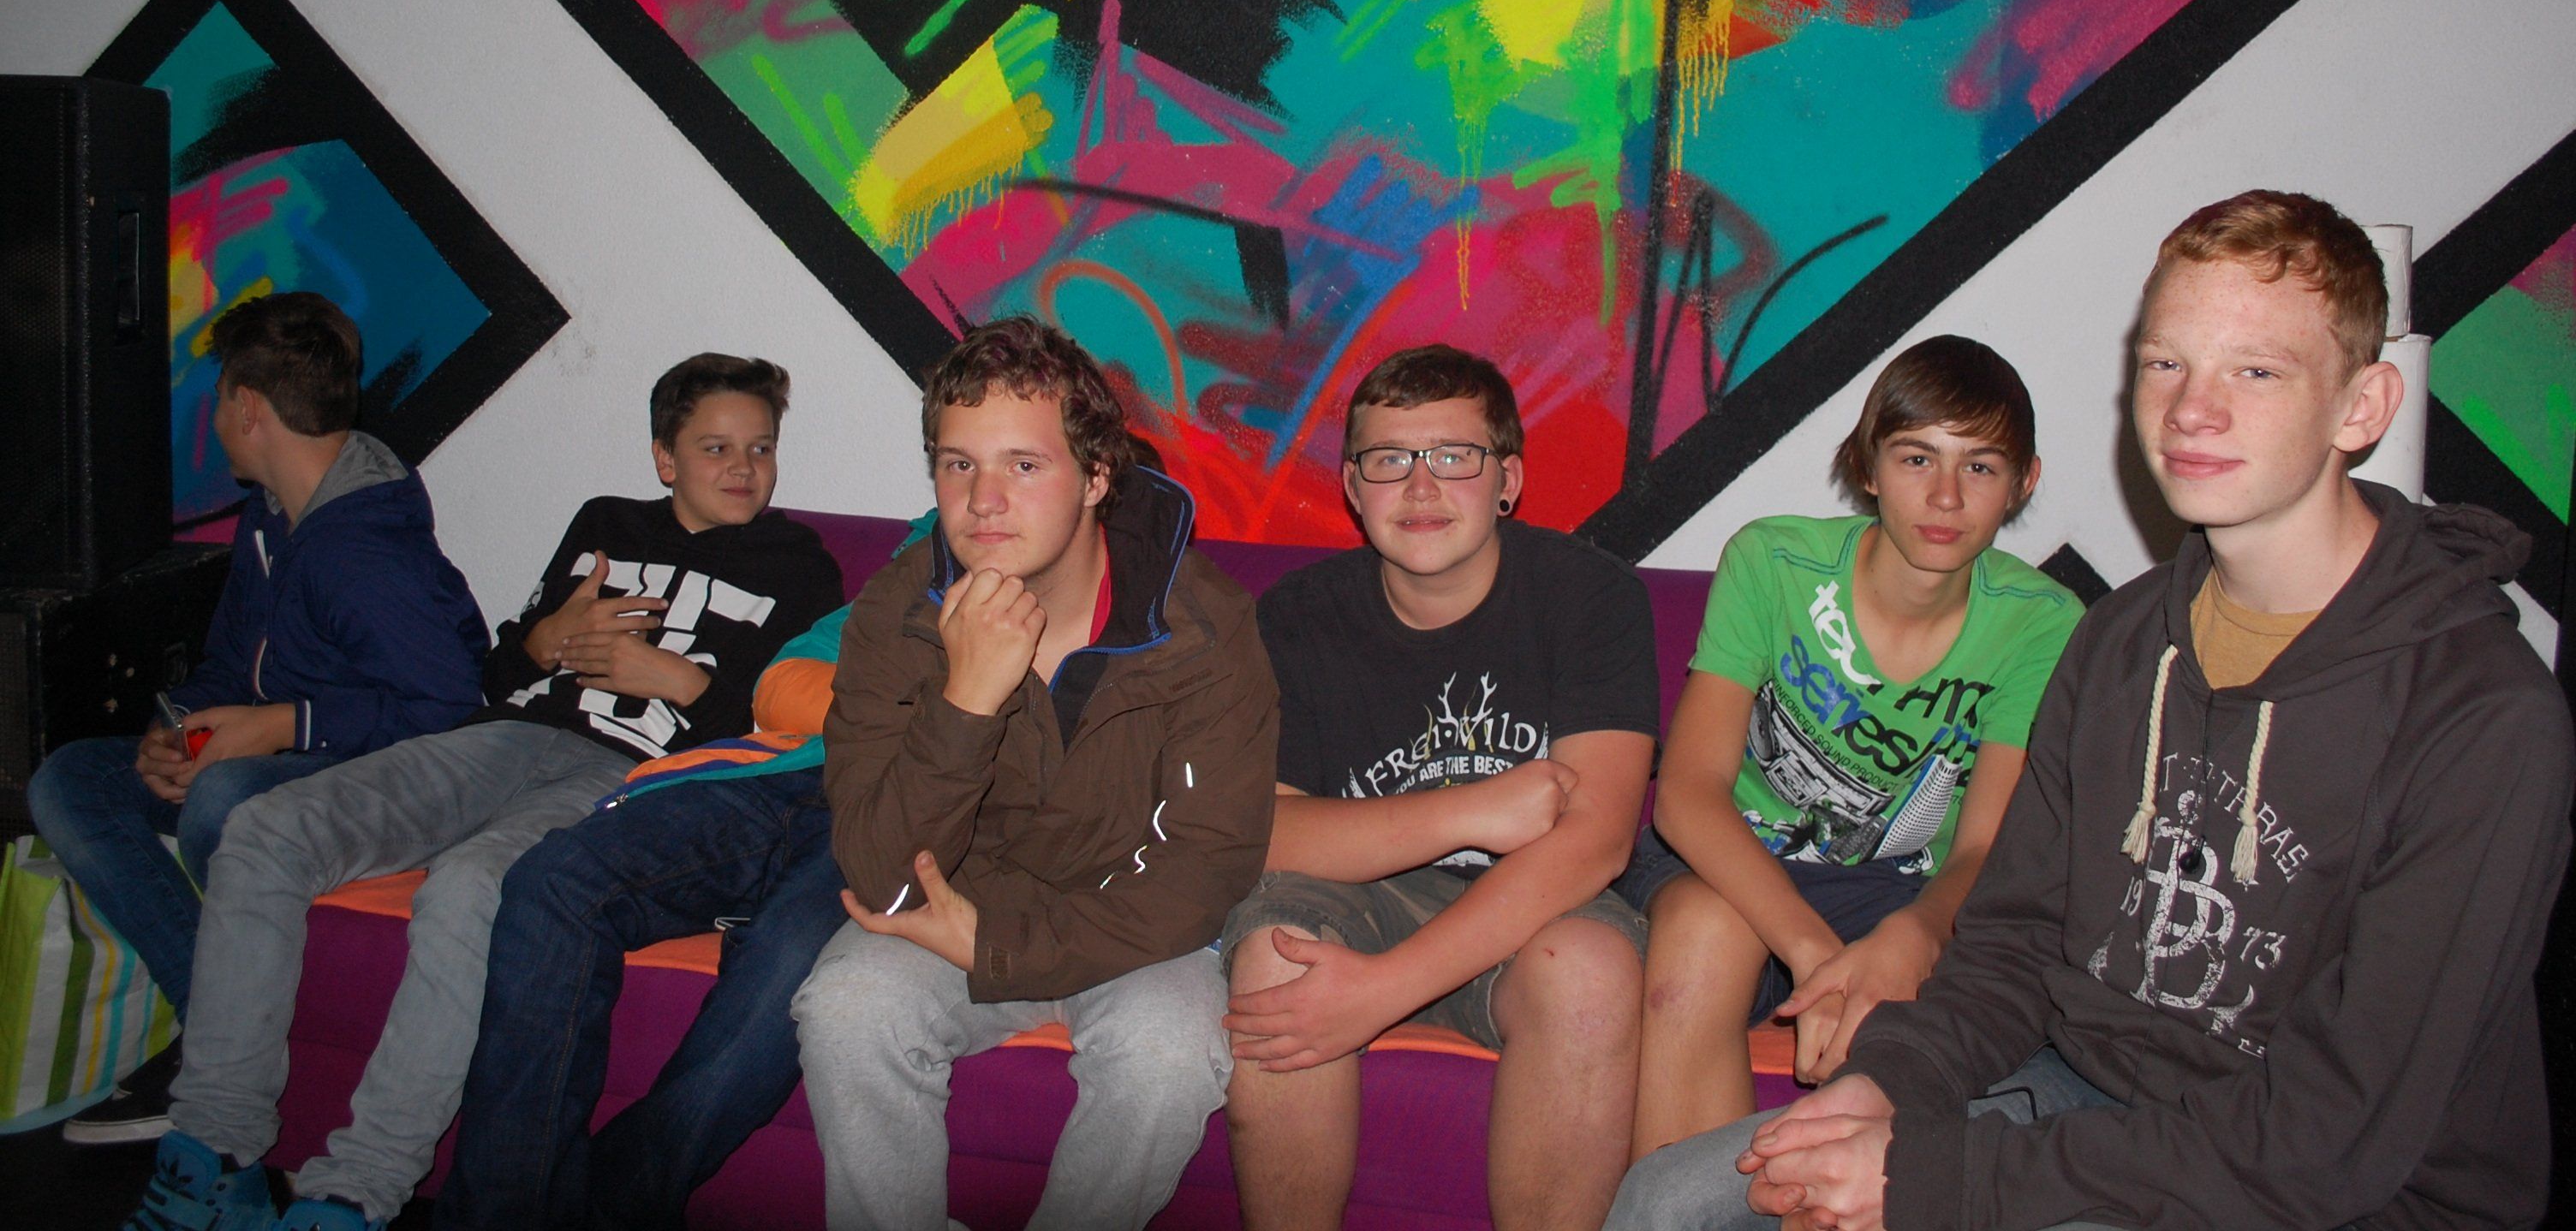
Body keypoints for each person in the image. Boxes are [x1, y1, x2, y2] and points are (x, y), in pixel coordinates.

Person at [1608, 188, 2576, 1231]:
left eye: (2254, 370)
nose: (2190, 409)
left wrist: (1934, 1175)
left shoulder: (2481, 716)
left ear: (2362, 406)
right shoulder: (2119, 642)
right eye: (2165, 363)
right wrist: (1884, 1085)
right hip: (2085, 1085)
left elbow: (2328, 1140)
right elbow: (2012, 936)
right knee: (1674, 1200)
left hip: (2335, 1185)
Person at [120, 354, 843, 1231]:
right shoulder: (605, 523)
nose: (743, 467)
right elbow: (491, 676)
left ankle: (351, 1192)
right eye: (716, 447)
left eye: (760, 448)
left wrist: (678, 681)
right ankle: (215, 1152)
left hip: (631, 772)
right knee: (263, 827)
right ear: (665, 457)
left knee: (472, 887)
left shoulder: (800, 564)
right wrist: (544, 639)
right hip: (502, 738)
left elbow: (778, 736)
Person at [790, 317, 1277, 1231]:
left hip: (1132, 931)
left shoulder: (1203, 626)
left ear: (1096, 478)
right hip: (951, 909)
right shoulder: (898, 612)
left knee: (1169, 1051)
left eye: (1023, 464)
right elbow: (880, 872)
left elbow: (1206, 870)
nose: (983, 501)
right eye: (957, 464)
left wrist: (1001, 949)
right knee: (847, 1008)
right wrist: (966, 700)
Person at [1221, 344, 1661, 1231]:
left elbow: (1595, 840)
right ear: (1353, 487)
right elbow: (1260, 833)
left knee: (1589, 970)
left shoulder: (1590, 596)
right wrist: (1474, 810)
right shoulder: (1296, 615)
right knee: (1277, 952)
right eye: (1389, 460)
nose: (1420, 487)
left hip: (1537, 909)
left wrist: (1386, 988)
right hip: (1359, 895)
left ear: (1507, 480)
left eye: (1454, 457)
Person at [30, 291, 485, 1145]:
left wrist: (283, 725)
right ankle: (215, 1024)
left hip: (378, 771)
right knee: (72, 780)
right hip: (287, 751)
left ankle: (222, 1049)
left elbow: (449, 706)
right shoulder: (269, 517)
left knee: (229, 797)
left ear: (246, 407)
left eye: (217, 401)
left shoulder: (365, 548)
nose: (215, 421)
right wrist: (178, 728)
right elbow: (229, 667)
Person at [1621, 336, 2079, 1153]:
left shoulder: (2042, 623)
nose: (1945, 496)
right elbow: (1687, 794)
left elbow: (1984, 851)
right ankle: (1679, 1206)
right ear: (1868, 465)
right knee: (1701, 938)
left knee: (1901, 1028)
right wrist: (1812, 953)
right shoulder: (1774, 561)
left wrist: (1915, 936)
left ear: (2023, 483)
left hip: (1899, 891)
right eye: (1916, 459)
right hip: (1728, 859)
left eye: (1979, 467)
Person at [435, 597, 855, 1231]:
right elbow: (779, 689)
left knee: (792, 964)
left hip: (895, 808)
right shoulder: (920, 567)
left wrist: (897, 705)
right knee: (555, 880)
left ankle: (614, 1206)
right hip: (773, 772)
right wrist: (925, 703)